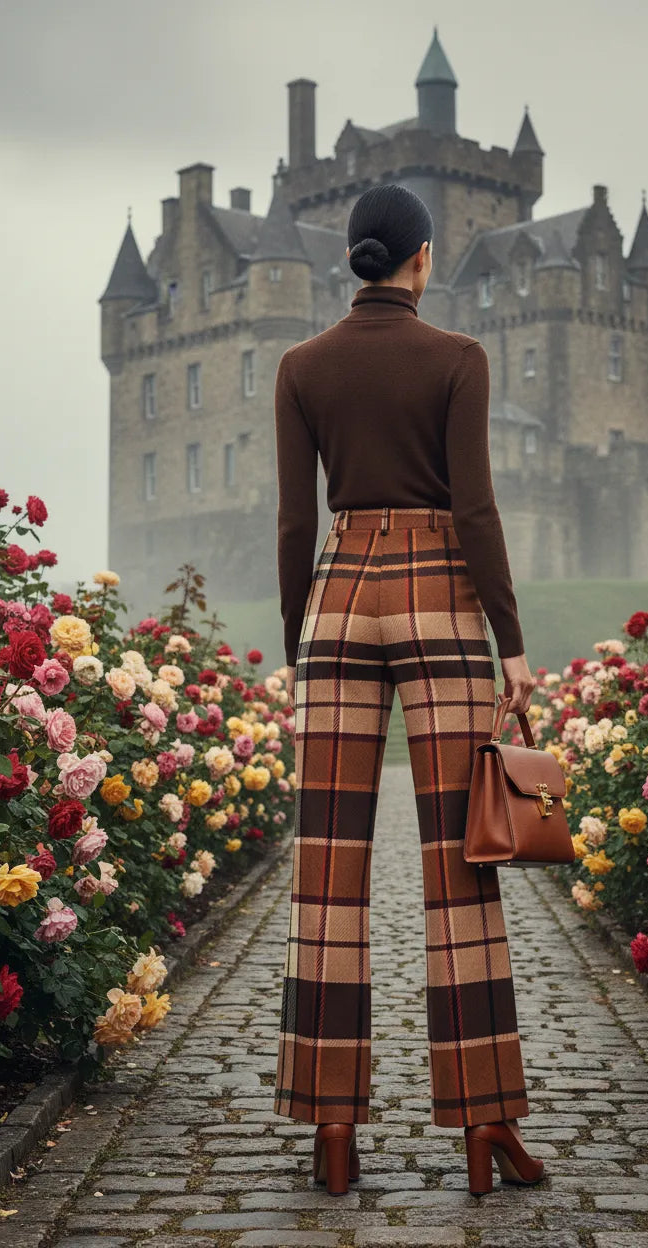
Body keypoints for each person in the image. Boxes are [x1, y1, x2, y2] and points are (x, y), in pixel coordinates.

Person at [272, 183, 543, 1198]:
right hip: (439, 596)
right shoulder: (459, 358)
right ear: (422, 258)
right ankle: (485, 1125)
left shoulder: (301, 366)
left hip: (338, 598)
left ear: (354, 258)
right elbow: (476, 509)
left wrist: (297, 641)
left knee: (326, 872)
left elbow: (294, 521)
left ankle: (333, 1130)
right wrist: (511, 644)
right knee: (461, 864)